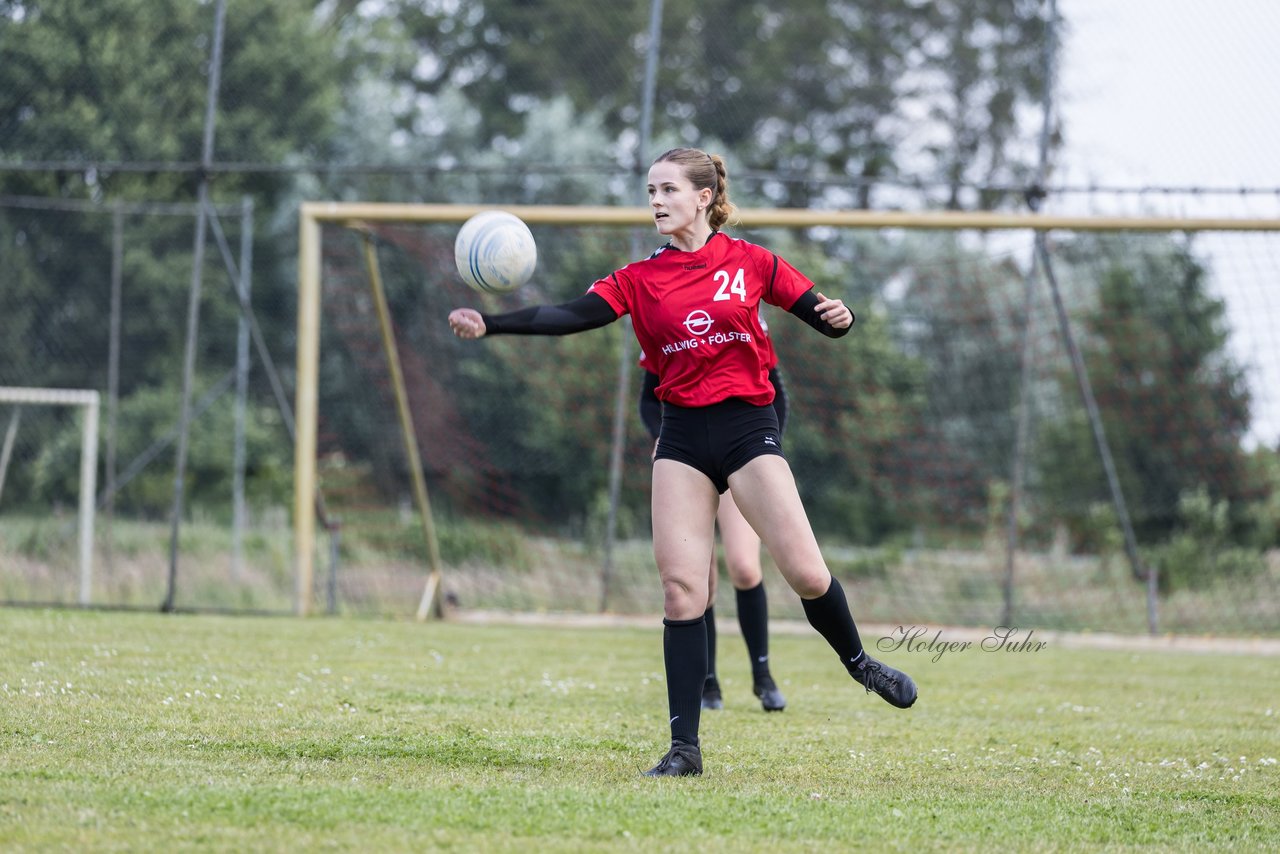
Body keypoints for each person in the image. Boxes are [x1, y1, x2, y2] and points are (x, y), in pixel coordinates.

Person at [449, 147, 917, 778]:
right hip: (680, 438)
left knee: (805, 574)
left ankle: (859, 663)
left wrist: (843, 316)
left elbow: (820, 312)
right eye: (650, 191)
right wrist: (493, 325)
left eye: (668, 189)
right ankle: (684, 750)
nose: (656, 201)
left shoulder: (751, 262)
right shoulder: (638, 279)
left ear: (704, 196)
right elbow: (570, 316)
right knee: (681, 592)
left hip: (749, 429)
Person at [637, 339, 788, 714]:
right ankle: (708, 683)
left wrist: (763, 450)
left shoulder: (743, 318)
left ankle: (763, 677)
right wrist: (661, 436)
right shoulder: (671, 320)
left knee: (744, 566)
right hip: (691, 463)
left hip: (740, 459)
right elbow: (647, 399)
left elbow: (777, 394)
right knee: (698, 578)